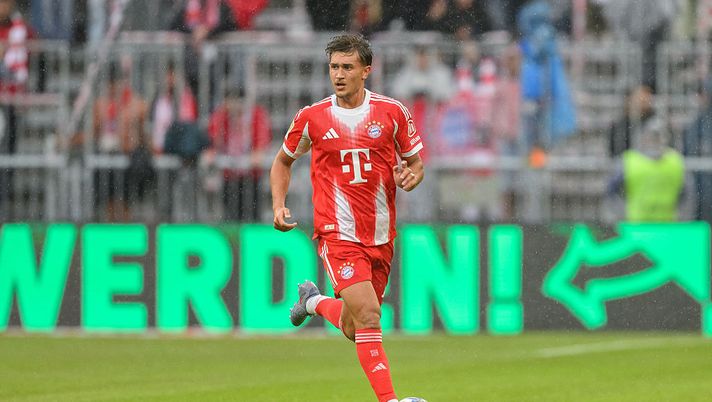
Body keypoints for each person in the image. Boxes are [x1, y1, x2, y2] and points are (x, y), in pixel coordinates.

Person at [270, 34, 425, 402]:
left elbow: (415, 164)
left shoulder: (391, 113)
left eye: (347, 67)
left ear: (366, 70)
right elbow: (282, 162)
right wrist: (278, 204)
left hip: (382, 235)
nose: (338, 75)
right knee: (370, 315)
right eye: (334, 67)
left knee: (357, 327)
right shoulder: (312, 118)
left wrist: (411, 176)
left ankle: (311, 302)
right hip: (337, 233)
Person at [208, 87, 271, 222]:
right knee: (230, 216)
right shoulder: (221, 117)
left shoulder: (256, 115)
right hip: (230, 176)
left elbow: (261, 148)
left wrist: (252, 158)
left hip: (251, 176)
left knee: (252, 216)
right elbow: (212, 144)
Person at [608, 118, 685, 222]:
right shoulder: (629, 160)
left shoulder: (675, 160)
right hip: (637, 223)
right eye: (651, 137)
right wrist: (622, 213)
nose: (654, 141)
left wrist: (682, 214)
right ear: (643, 137)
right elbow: (611, 190)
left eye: (658, 137)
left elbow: (687, 193)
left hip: (668, 224)